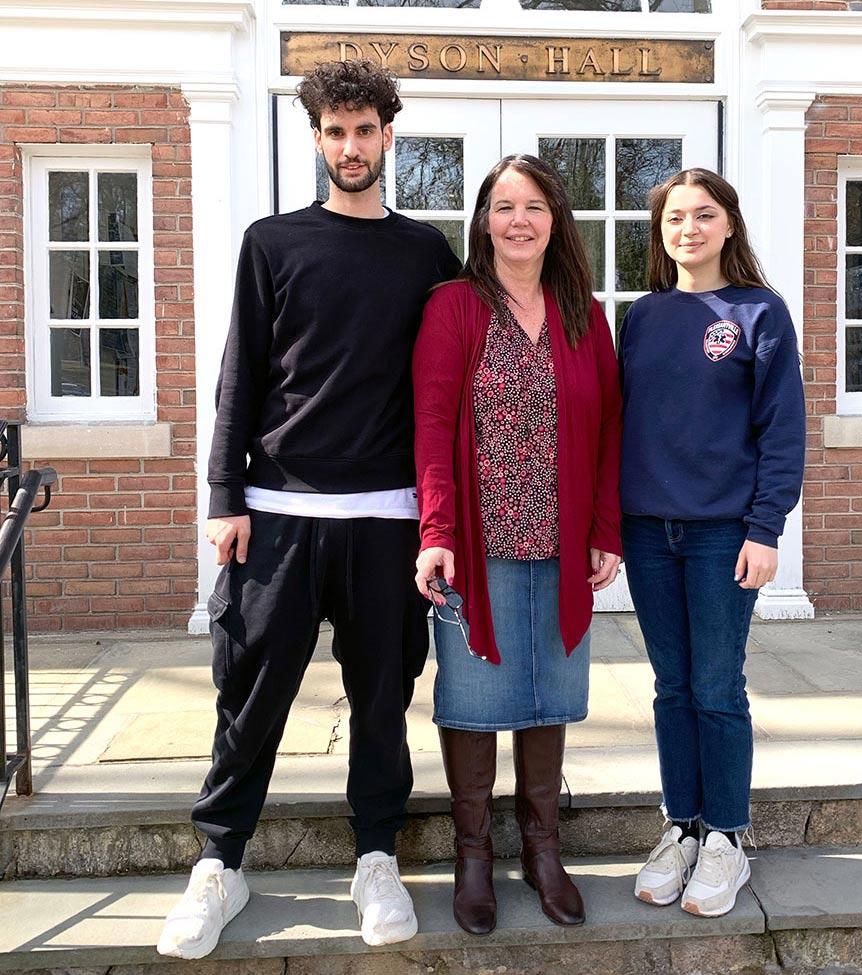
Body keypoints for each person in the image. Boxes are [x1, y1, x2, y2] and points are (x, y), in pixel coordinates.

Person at [156, 60, 461, 959]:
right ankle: (220, 860)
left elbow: (447, 388)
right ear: (317, 138)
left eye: (366, 130)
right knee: (250, 697)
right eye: (336, 131)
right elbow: (238, 377)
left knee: (380, 697)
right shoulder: (272, 242)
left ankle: (376, 854)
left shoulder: (426, 254)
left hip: (386, 518)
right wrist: (222, 495)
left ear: (388, 136)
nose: (351, 146)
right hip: (277, 512)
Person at [412, 154, 622, 936]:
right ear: (483, 223)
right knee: (469, 700)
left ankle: (542, 850)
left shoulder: (582, 311)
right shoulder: (454, 307)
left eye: (533, 206)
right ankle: (474, 856)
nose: (519, 221)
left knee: (549, 693)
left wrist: (605, 528)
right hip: (477, 539)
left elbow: (609, 427)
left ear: (555, 220)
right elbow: (431, 427)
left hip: (562, 541)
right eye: (503, 207)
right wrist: (435, 533)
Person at [618, 168, 805, 917]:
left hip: (722, 533)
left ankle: (726, 837)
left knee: (717, 687)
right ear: (659, 232)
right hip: (646, 531)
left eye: (702, 214)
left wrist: (765, 528)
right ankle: (681, 827)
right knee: (670, 687)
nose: (687, 228)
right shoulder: (642, 315)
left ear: (728, 223)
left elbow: (781, 431)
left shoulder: (759, 313)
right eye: (672, 217)